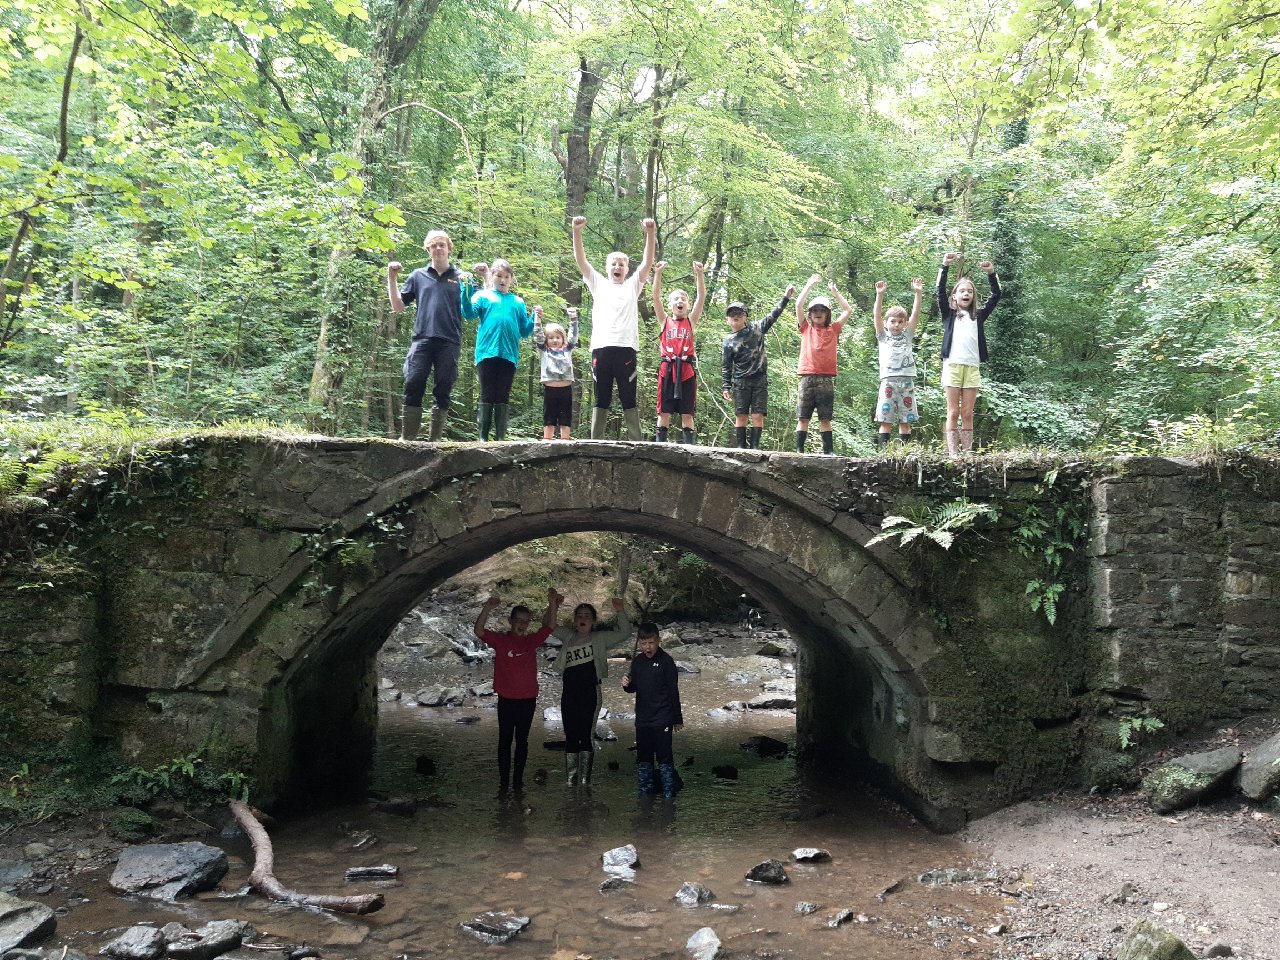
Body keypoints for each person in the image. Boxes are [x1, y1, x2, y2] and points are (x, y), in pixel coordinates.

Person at [387, 230, 480, 441]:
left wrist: (485, 277)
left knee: (444, 386)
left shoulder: (462, 278)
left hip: (449, 340)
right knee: (413, 381)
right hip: (422, 339)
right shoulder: (417, 276)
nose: (438, 249)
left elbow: (478, 307)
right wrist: (391, 278)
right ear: (428, 249)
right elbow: (398, 306)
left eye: (442, 245)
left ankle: (434, 442)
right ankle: (407, 439)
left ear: (449, 249)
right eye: (434, 245)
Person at [571, 215, 657, 441]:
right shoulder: (598, 283)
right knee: (602, 396)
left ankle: (637, 443)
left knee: (629, 396)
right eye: (614, 264)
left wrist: (650, 233)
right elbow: (581, 261)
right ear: (607, 268)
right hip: (601, 348)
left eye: (622, 264)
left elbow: (647, 263)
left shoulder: (633, 286)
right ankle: (595, 442)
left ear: (627, 269)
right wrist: (577, 232)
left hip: (626, 348)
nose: (618, 267)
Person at [473, 588, 563, 794]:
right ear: (511, 621)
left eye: (526, 621)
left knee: (522, 741)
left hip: (528, 700)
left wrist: (552, 603)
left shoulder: (531, 641)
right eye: (519, 621)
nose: (522, 625)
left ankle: (517, 782)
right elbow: (478, 631)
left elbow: (550, 625)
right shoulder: (501, 640)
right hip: (507, 699)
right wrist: (487, 607)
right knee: (505, 741)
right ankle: (504, 783)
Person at [552, 598, 629, 786]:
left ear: (593, 620)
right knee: (570, 734)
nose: (582, 619)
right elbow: (550, 626)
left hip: (590, 693)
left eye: (587, 616)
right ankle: (571, 779)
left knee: (586, 735)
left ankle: (585, 780)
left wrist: (620, 611)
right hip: (569, 694)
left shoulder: (600, 638)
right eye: (579, 616)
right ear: (575, 620)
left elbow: (625, 632)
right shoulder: (568, 636)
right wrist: (553, 604)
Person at [937, 252, 1001, 454]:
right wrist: (944, 265)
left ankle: (967, 453)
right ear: (954, 295)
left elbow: (996, 295)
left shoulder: (978, 317)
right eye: (962, 291)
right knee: (953, 411)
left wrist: (991, 273)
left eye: (970, 292)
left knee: (967, 412)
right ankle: (954, 454)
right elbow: (939, 290)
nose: (966, 294)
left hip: (972, 367)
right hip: (952, 366)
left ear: (973, 297)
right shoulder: (949, 315)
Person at [720, 285, 796, 449]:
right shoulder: (728, 341)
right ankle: (741, 447)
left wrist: (786, 297)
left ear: (745, 317)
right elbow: (726, 366)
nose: (735, 316)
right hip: (740, 382)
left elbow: (773, 315)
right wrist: (726, 386)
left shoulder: (757, 328)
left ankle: (754, 448)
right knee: (741, 415)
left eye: (739, 313)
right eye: (732, 314)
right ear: (727, 319)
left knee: (757, 415)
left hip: (759, 380)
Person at [470, 259, 536, 441]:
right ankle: (482, 437)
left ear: (511, 279)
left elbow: (524, 331)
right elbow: (468, 313)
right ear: (492, 276)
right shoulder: (484, 296)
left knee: (502, 395)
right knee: (487, 393)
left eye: (506, 277)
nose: (502, 280)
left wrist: (534, 318)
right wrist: (465, 289)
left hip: (509, 355)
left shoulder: (518, 302)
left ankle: (500, 438)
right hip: (486, 352)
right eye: (499, 276)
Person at [621, 622, 683, 800]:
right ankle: (645, 795)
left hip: (662, 718)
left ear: (659, 641)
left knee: (664, 758)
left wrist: (677, 718)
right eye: (644, 643)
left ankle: (669, 795)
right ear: (639, 643)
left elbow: (673, 691)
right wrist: (627, 685)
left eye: (651, 643)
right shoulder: (638, 662)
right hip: (643, 719)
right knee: (643, 758)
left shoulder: (667, 661)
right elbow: (633, 688)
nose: (648, 647)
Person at [793, 274, 853, 454]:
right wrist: (809, 285)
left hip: (826, 379)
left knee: (825, 418)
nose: (818, 312)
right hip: (807, 377)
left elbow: (848, 310)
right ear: (810, 314)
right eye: (814, 310)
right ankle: (799, 449)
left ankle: (828, 451)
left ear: (828, 313)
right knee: (803, 417)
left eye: (822, 310)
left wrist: (835, 293)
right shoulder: (806, 328)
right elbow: (798, 305)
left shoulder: (833, 329)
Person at [652, 259, 707, 443]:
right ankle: (660, 445)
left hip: (686, 371)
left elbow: (701, 298)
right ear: (670, 305)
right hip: (667, 371)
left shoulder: (690, 321)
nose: (680, 301)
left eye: (683, 299)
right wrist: (658, 274)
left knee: (687, 411)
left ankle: (689, 447)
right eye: (676, 299)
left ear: (688, 305)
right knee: (664, 410)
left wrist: (699, 274)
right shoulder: (664, 321)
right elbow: (655, 298)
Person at [872, 276, 925, 449]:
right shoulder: (882, 336)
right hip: (888, 380)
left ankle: (904, 453)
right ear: (886, 324)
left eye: (900, 322)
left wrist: (918, 292)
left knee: (906, 419)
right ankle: (884, 453)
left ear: (905, 324)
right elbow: (877, 314)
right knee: (885, 419)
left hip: (906, 380)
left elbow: (916, 313)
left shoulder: (908, 335)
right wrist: (880, 295)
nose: (896, 325)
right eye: (892, 321)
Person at [533, 307, 580, 440]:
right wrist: (537, 318)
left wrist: (573, 318)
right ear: (546, 340)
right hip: (550, 388)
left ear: (562, 339)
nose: (555, 340)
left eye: (558, 337)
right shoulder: (544, 350)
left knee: (565, 415)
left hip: (566, 388)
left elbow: (573, 336)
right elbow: (537, 334)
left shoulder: (567, 349)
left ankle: (565, 439)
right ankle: (547, 439)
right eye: (551, 338)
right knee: (549, 415)